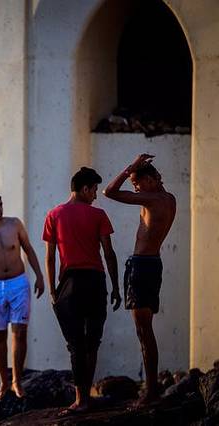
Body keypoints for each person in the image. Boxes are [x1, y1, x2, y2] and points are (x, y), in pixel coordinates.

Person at [43, 167, 122, 415]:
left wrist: (53, 290)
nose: (96, 195)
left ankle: (81, 399)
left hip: (69, 283)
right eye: (94, 190)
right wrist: (116, 286)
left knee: (76, 344)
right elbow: (109, 253)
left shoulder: (54, 215)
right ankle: (86, 397)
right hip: (95, 281)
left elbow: (50, 257)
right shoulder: (98, 215)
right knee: (92, 342)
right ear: (85, 189)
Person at [103, 153, 176, 407]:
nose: (135, 188)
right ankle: (151, 388)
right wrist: (137, 170)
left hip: (142, 267)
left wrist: (130, 167)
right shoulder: (169, 198)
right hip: (152, 264)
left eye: (137, 182)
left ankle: (151, 391)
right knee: (146, 331)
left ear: (151, 179)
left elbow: (109, 192)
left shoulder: (152, 199)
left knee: (143, 332)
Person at [0, 192, 45, 401]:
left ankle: (17, 381)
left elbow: (28, 249)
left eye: (1, 205)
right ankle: (3, 382)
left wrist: (39, 276)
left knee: (20, 332)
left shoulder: (15, 224)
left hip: (18, 283)